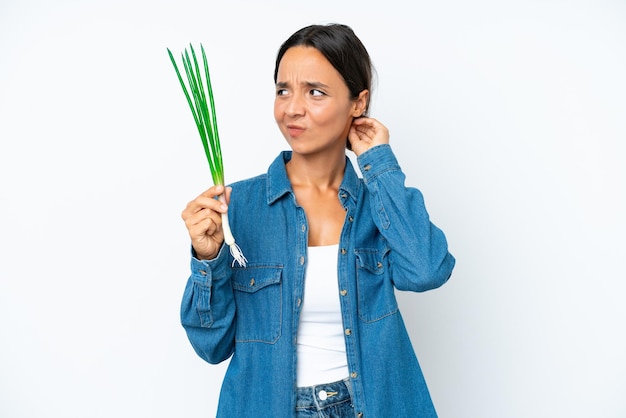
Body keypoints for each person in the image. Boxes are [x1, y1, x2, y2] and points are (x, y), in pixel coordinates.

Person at [180, 23, 455, 418]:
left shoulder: (378, 205)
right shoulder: (237, 207)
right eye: (283, 90)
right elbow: (211, 345)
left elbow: (427, 270)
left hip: (370, 407)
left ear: (358, 103)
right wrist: (207, 260)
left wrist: (378, 164)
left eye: (315, 92)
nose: (292, 108)